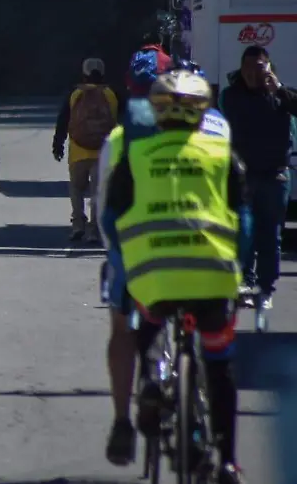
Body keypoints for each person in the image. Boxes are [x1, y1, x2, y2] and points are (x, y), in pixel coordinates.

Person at [96, 69, 247, 484]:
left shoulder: (132, 151)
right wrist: (241, 269)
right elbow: (243, 222)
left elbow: (109, 217)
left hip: (152, 274)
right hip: (213, 277)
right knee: (220, 363)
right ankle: (229, 461)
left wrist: (126, 262)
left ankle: (147, 383)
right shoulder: (221, 152)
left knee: (141, 326)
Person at [219, 44, 297, 308]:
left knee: (271, 235)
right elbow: (234, 117)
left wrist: (279, 91)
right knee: (244, 231)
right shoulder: (232, 96)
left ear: (269, 68)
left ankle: (266, 288)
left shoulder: (281, 95)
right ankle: (243, 280)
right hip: (243, 177)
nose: (253, 73)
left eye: (259, 67)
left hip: (276, 176)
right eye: (248, 68)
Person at [52, 57, 118, 243]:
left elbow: (63, 121)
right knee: (98, 191)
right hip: (103, 151)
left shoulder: (74, 95)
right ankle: (94, 229)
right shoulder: (111, 95)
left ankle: (78, 224)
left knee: (76, 188)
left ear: (84, 74)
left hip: (78, 151)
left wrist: (58, 144)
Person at [126, 28, 173, 99]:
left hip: (137, 100)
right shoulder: (165, 59)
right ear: (160, 43)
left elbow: (129, 78)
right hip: (157, 101)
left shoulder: (135, 56)